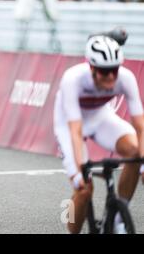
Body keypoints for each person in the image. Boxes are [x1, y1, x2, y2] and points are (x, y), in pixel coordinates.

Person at [54, 35, 144, 234]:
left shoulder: (126, 77)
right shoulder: (73, 79)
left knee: (135, 150)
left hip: (101, 116)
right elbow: (76, 131)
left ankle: (120, 220)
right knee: (84, 188)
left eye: (114, 69)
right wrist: (79, 170)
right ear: (91, 67)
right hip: (69, 123)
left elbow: (140, 126)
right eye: (105, 72)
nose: (111, 77)